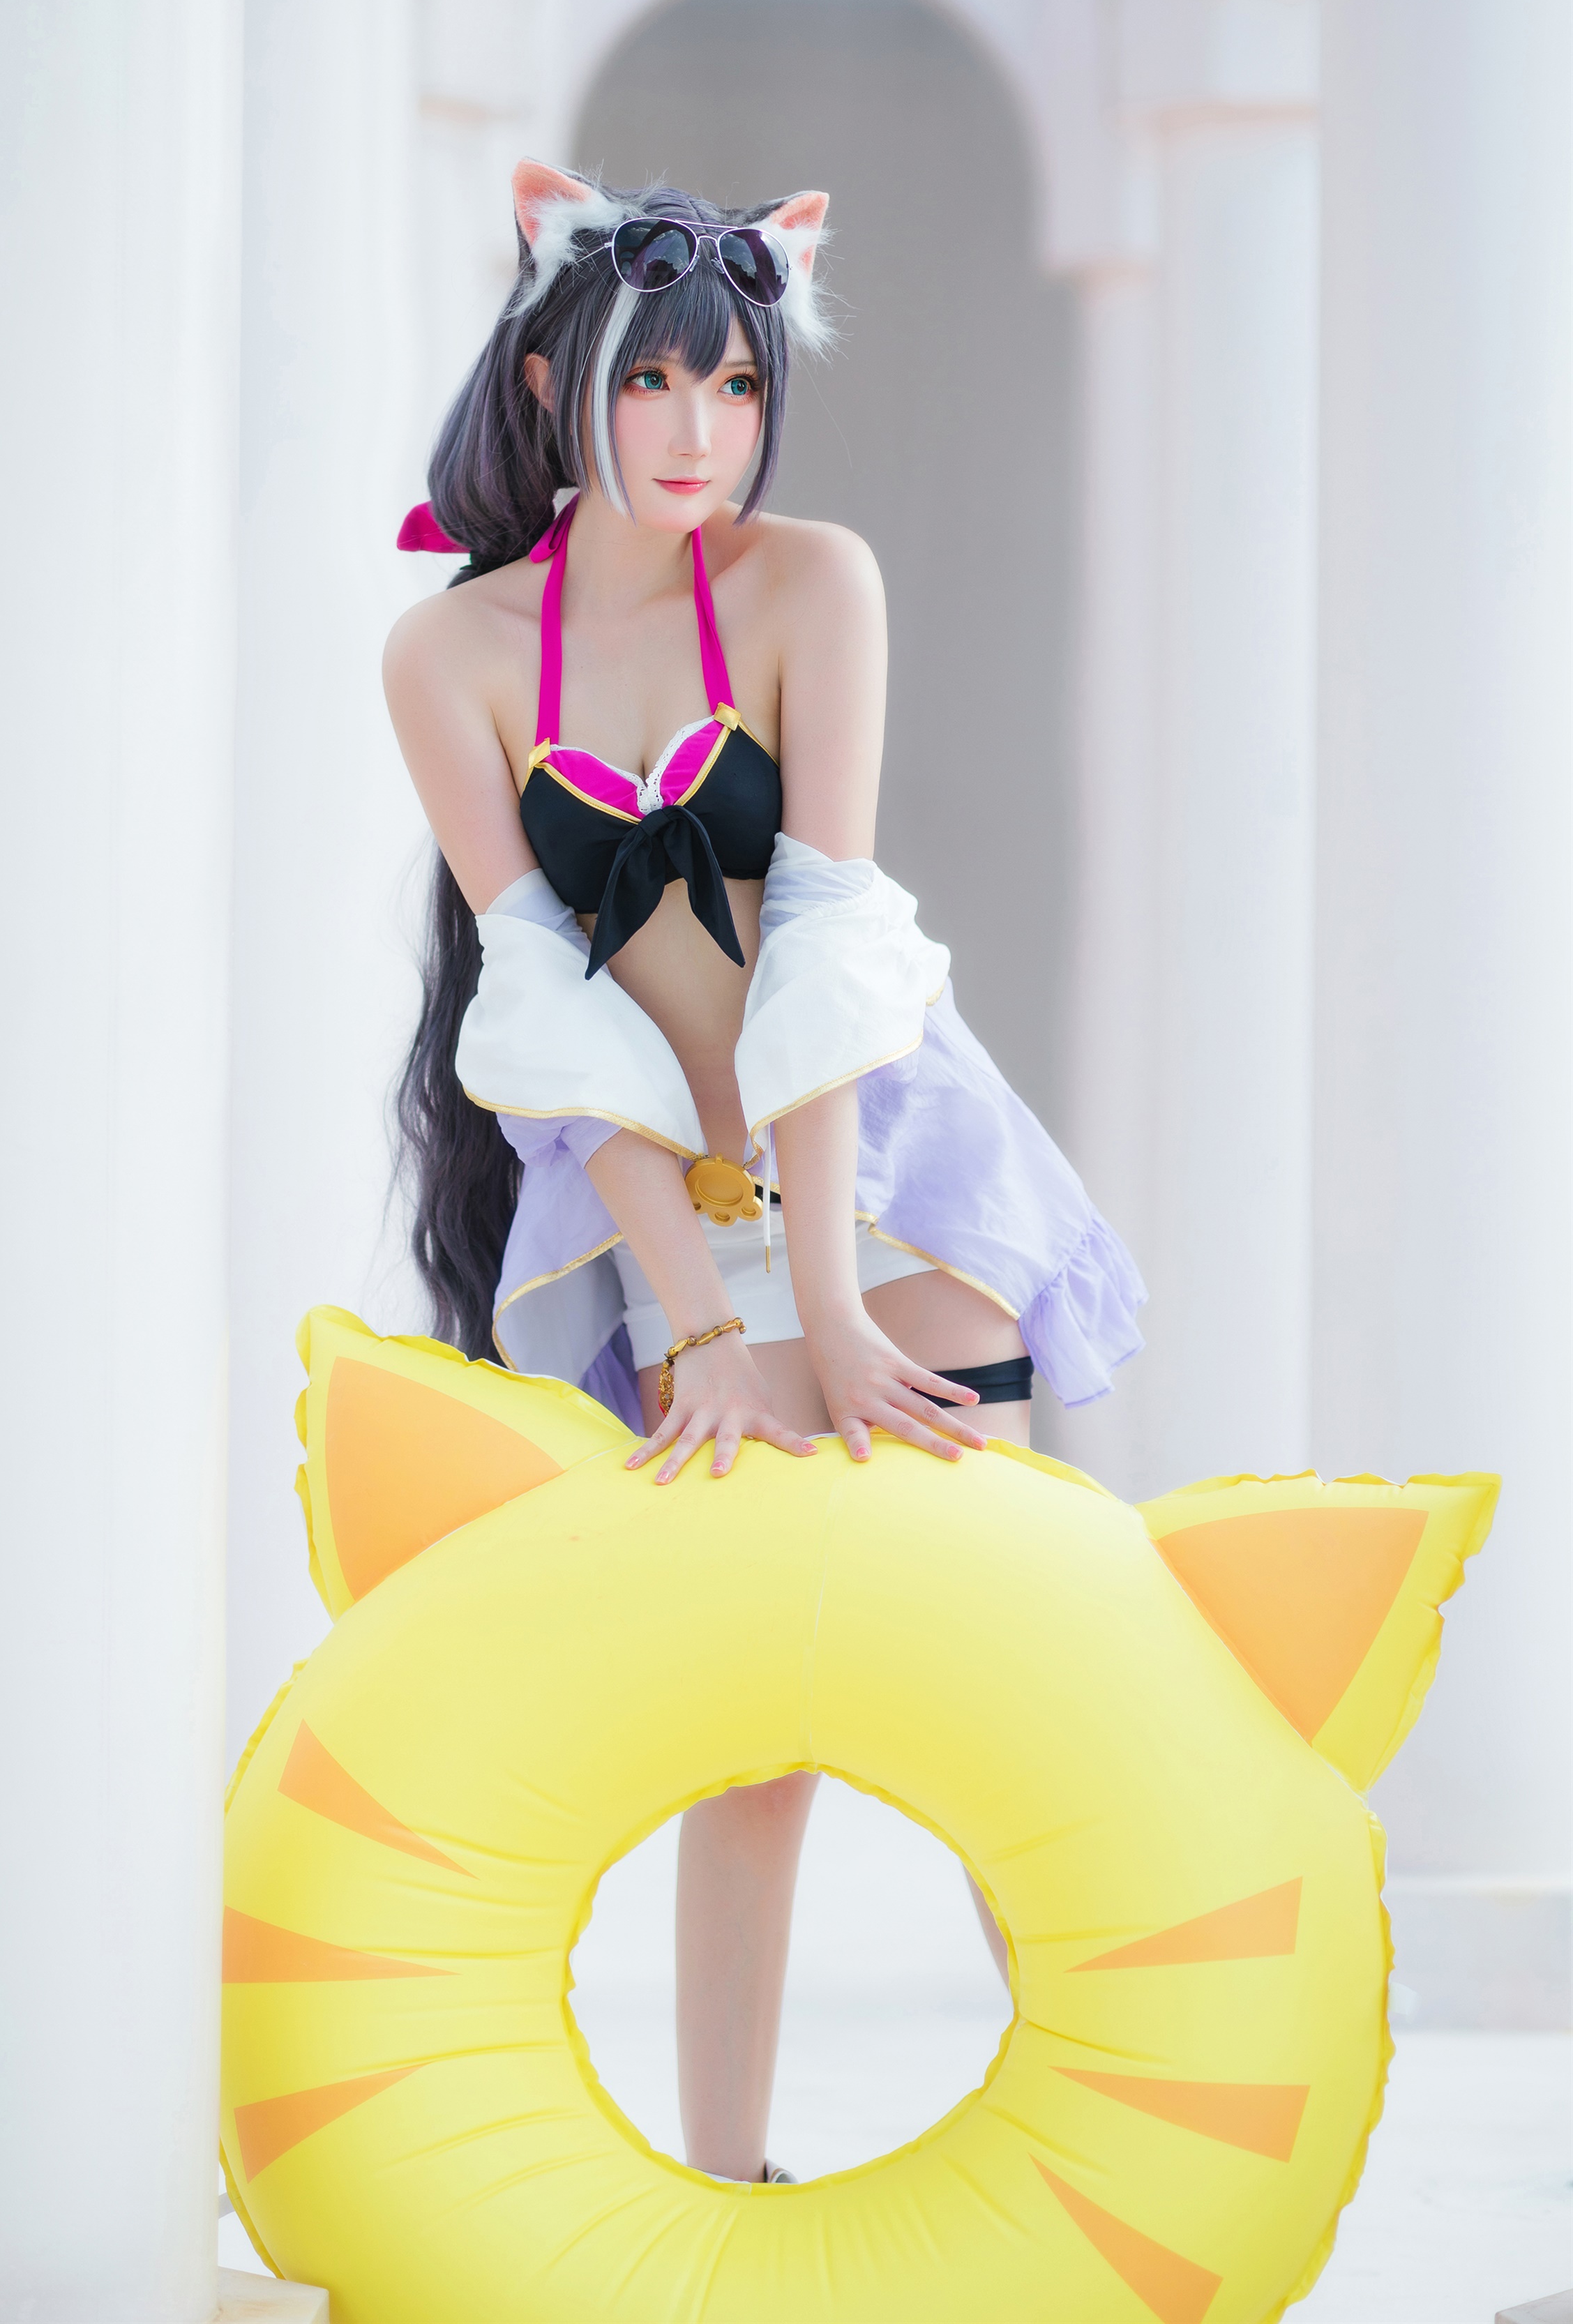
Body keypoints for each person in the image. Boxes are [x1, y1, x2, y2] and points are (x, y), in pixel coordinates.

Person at [383, 160, 1146, 2186]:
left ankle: (1116, 2149)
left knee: (998, 1683)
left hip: (883, 1171)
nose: (696, 432)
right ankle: (729, 2193)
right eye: (653, 383)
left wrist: (811, 1305)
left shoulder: (816, 584)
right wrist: (699, 1325)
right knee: (758, 1739)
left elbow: (828, 941)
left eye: (733, 386)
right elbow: (546, 1024)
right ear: (552, 376)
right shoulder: (450, 656)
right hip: (671, 1221)